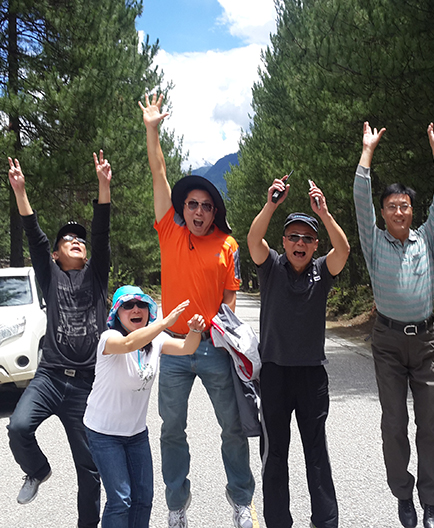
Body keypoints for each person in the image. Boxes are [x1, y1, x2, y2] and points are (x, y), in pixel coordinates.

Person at [138, 93, 255, 528]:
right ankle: (177, 505)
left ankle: (241, 501)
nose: (199, 211)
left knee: (232, 428)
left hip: (212, 348)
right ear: (182, 208)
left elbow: (230, 298)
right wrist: (152, 130)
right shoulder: (170, 231)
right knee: (171, 430)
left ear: (214, 211)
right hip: (173, 349)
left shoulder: (228, 245)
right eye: (192, 204)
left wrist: (218, 325)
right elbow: (159, 173)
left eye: (207, 206)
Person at [353, 121, 434, 528]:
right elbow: (359, 198)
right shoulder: (374, 242)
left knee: (429, 424)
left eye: (405, 205)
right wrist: (367, 152)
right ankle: (403, 494)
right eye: (392, 206)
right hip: (388, 342)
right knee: (394, 422)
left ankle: (431, 502)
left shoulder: (427, 239)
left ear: (413, 211)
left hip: (425, 341)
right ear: (383, 213)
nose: (399, 211)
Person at [6, 152, 111, 528]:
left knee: (90, 469)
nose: (77, 241)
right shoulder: (50, 275)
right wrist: (20, 191)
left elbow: (101, 232)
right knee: (18, 427)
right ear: (55, 254)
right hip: (50, 376)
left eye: (80, 239)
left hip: (86, 384)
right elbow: (34, 236)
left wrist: (103, 186)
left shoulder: (96, 274)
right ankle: (37, 470)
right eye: (68, 239)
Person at [247, 176, 350, 528]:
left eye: (307, 238)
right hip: (274, 373)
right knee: (275, 454)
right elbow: (253, 239)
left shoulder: (322, 270)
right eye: (293, 236)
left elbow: (343, 251)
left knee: (316, 453)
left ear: (316, 244)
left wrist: (324, 214)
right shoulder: (271, 267)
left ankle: (325, 521)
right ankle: (278, 522)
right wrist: (271, 204)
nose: (300, 243)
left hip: (311, 375)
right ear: (284, 242)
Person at [83, 285, 206, 528]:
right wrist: (164, 323)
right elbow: (129, 344)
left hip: (136, 434)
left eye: (141, 305)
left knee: (143, 499)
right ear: (117, 313)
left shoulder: (156, 340)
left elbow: (187, 348)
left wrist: (194, 330)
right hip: (104, 433)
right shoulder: (110, 338)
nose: (136, 309)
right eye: (128, 306)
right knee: (121, 500)